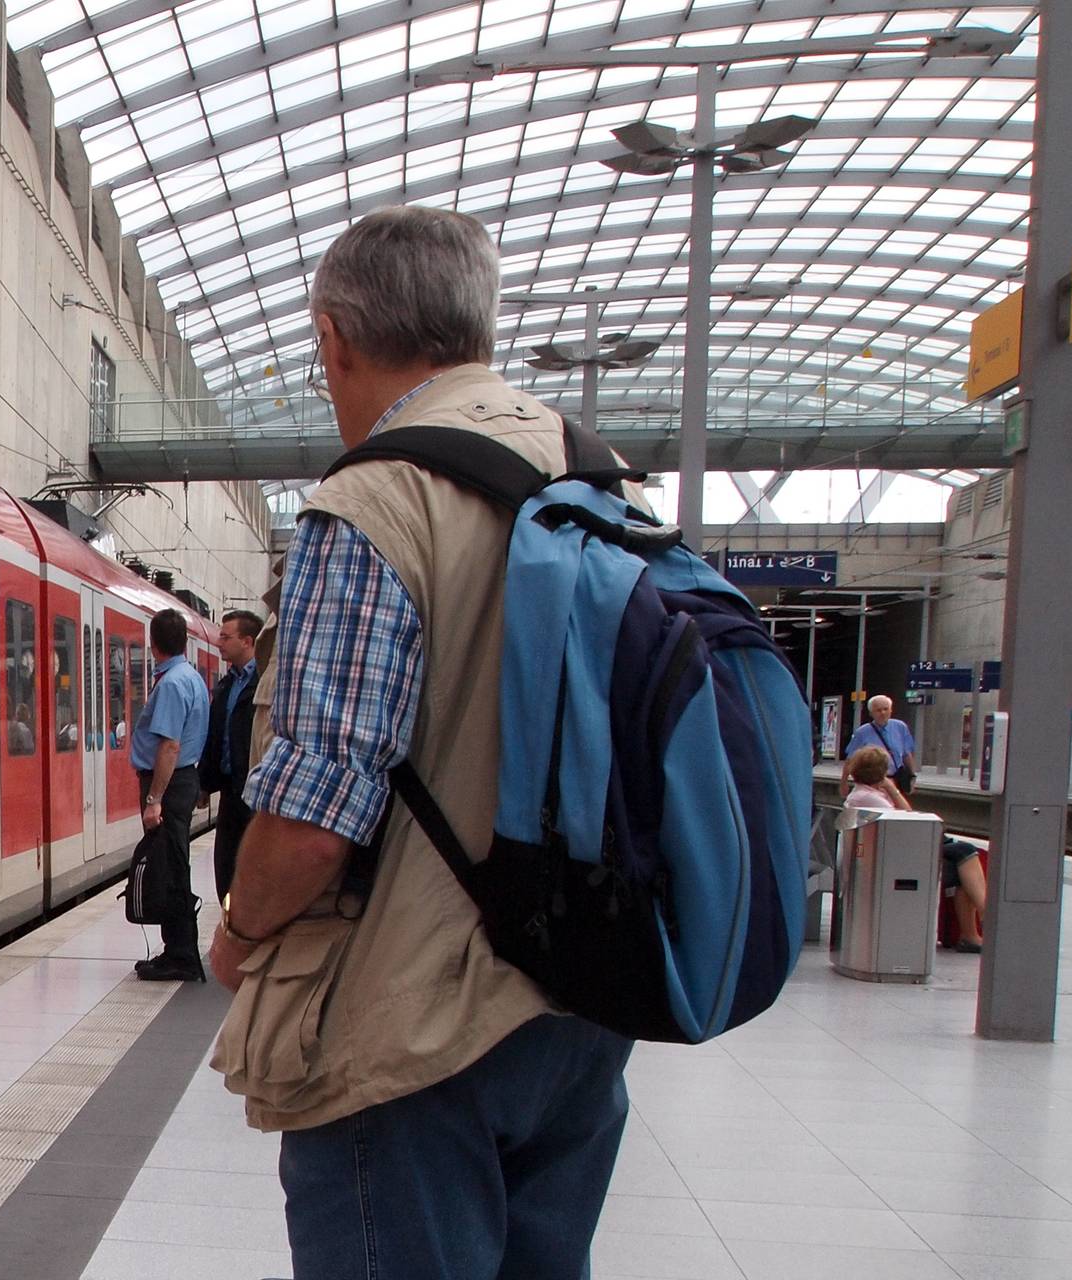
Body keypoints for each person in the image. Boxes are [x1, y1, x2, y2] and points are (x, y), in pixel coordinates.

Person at [206, 206, 634, 1278]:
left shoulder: (374, 496)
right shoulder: (601, 479)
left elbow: (313, 815)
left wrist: (240, 930)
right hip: (582, 1002)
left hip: (412, 1029)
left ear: (332, 337)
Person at [844, 745, 988, 952]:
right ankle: (983, 914)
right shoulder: (870, 798)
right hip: (898, 860)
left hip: (890, 852)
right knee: (965, 853)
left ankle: (971, 935)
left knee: (962, 863)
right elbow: (907, 816)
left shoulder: (862, 794)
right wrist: (892, 789)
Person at [130, 608, 209, 982]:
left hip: (170, 784)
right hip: (183, 782)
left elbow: (169, 746)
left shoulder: (173, 684)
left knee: (171, 870)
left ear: (153, 644)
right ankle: (176, 950)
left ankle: (180, 955)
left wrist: (153, 799)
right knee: (173, 865)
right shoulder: (190, 677)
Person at [198, 610, 265, 903]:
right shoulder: (227, 684)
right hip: (228, 789)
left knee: (253, 866)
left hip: (254, 790)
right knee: (224, 867)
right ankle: (229, 922)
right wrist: (204, 782)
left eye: (226, 637)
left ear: (248, 641)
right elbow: (216, 736)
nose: (219, 642)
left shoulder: (265, 681)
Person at [846, 695, 919, 797]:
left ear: (891, 710)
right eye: (878, 710)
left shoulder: (900, 727)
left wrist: (912, 776)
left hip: (896, 780)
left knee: (898, 809)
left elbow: (906, 754)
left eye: (886, 709)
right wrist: (844, 781)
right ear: (871, 713)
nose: (883, 713)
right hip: (873, 783)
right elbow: (850, 759)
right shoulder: (862, 732)